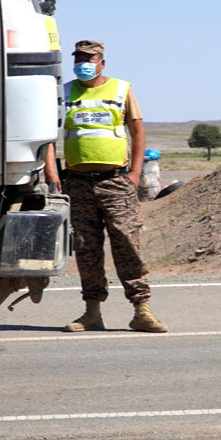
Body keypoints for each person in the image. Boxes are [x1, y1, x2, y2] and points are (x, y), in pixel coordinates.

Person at [45, 40, 168, 334]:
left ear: (102, 62)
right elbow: (48, 134)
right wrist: (52, 173)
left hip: (115, 181)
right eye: (78, 58)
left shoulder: (121, 89)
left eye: (90, 58)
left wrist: (135, 173)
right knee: (87, 249)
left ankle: (142, 311)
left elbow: (137, 131)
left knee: (127, 243)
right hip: (76, 183)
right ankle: (92, 312)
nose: (83, 63)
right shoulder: (64, 93)